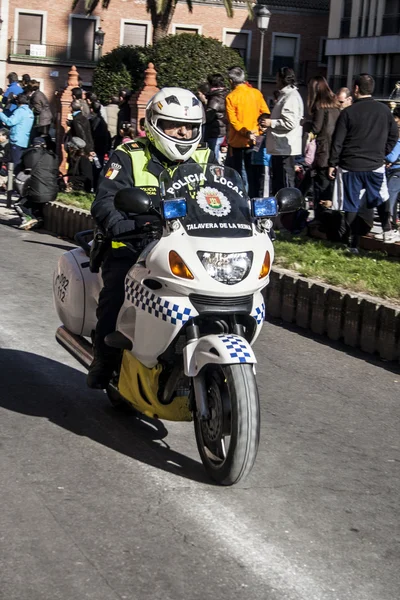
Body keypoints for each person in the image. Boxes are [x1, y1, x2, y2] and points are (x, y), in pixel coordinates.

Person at [88, 87, 215, 389]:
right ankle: (105, 359)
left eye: (191, 127)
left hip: (189, 250)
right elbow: (105, 200)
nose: (184, 132)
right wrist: (118, 223)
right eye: (175, 125)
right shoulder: (128, 155)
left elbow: (227, 197)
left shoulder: (206, 158)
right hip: (134, 248)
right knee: (116, 294)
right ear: (154, 123)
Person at [329, 73, 399, 247]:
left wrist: (332, 163)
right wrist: (384, 154)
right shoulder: (384, 111)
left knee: (351, 204)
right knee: (382, 197)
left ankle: (351, 242)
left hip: (350, 165)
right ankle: (387, 231)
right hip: (375, 164)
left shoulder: (348, 112)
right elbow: (394, 135)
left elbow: (338, 141)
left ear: (356, 89)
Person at [225, 66, 270, 186]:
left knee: (239, 174)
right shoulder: (256, 93)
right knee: (254, 174)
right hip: (256, 139)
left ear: (231, 81)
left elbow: (233, 121)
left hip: (238, 141)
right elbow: (265, 113)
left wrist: (246, 132)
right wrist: (258, 130)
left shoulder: (231, 97)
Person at [263, 67, 304, 194]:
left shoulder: (290, 97)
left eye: (277, 78)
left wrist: (271, 123)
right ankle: (284, 209)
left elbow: (290, 122)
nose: (275, 81)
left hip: (284, 147)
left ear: (282, 79)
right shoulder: (286, 95)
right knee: (280, 183)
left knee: (285, 182)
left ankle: (289, 210)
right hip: (280, 146)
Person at [307, 76, 340, 220]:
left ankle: (320, 222)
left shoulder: (320, 106)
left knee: (320, 189)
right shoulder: (336, 106)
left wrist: (305, 124)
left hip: (322, 153)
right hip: (333, 154)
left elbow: (316, 128)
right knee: (329, 190)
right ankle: (328, 220)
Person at [13, 136, 59, 230]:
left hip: (35, 191)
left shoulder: (29, 154)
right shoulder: (53, 156)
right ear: (44, 145)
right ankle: (39, 219)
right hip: (52, 191)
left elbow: (19, 170)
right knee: (36, 203)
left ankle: (29, 218)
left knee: (19, 204)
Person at [0, 94, 34, 168]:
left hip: (16, 140)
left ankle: (11, 177)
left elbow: (10, 122)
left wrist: (1, 114)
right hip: (25, 140)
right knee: (18, 161)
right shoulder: (30, 112)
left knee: (14, 162)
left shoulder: (20, 111)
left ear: (18, 102)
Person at [204, 73, 228, 162]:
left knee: (213, 158)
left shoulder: (215, 98)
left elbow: (209, 116)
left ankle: (215, 174)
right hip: (222, 131)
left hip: (214, 132)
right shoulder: (225, 94)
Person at [385, 106, 400, 229]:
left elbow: (392, 157)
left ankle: (389, 222)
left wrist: (385, 158)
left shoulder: (398, 134)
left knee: (391, 195)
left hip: (396, 169)